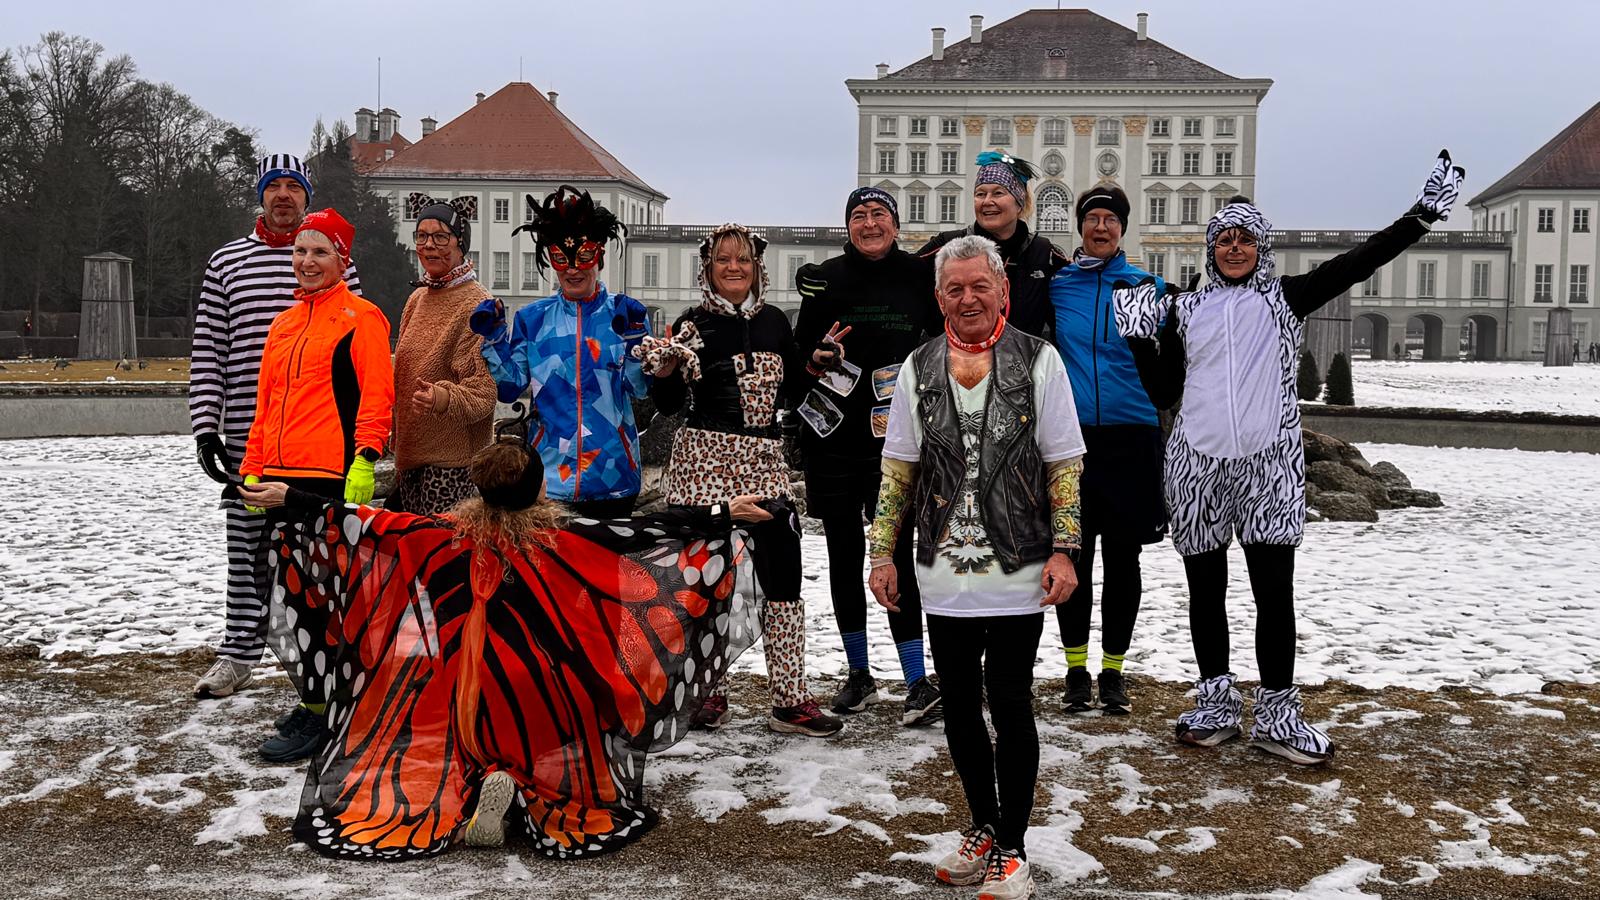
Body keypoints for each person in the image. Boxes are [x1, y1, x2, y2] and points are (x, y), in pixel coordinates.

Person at [239, 428, 777, 860]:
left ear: (480, 488)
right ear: (539, 489)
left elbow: (362, 521)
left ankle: (478, 780)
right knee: (568, 742)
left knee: (447, 747)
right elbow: (650, 529)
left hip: (461, 693)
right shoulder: (564, 537)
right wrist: (722, 515)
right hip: (541, 695)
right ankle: (522, 782)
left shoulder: (436, 533)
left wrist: (291, 497)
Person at [1115, 150, 1467, 766]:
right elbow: (1165, 392)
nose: (1234, 248)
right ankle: (1216, 705)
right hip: (1196, 465)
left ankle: (1278, 715)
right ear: (1210, 248)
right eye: (1223, 239)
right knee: (1206, 592)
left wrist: (1420, 217)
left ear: (1262, 247)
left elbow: (1360, 260)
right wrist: (1142, 340)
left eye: (1245, 239)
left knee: (1273, 592)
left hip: (1269, 466)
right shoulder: (1184, 309)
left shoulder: (1286, 298)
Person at [869, 235, 1085, 900]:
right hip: (943, 568)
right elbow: (898, 468)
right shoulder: (918, 366)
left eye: (979, 286)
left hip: (1019, 565)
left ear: (1003, 291)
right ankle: (984, 828)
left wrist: (1066, 548)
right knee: (960, 704)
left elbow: (1064, 463)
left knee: (1011, 700)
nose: (968, 298)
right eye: (955, 289)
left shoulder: (1040, 360)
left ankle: (1013, 849)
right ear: (939, 298)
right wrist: (882, 552)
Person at [639, 223, 843, 738]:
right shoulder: (691, 324)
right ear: (707, 268)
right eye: (723, 259)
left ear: (757, 268)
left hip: (763, 458)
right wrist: (664, 373)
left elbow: (793, 390)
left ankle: (790, 698)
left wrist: (816, 363)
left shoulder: (774, 321)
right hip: (705, 462)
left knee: (784, 571)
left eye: (744, 259)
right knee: (706, 579)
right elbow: (669, 405)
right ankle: (708, 692)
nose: (734, 268)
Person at [187, 154, 360, 701]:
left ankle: (325, 662)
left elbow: (355, 359)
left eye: (293, 186)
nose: (283, 195)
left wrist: (358, 442)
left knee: (317, 555)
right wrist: (206, 427)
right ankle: (239, 652)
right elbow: (209, 352)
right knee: (245, 551)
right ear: (260, 195)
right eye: (273, 186)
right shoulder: (227, 263)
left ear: (307, 196)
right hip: (248, 435)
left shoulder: (334, 259)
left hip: (316, 440)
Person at [238, 207, 394, 762]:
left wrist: (366, 458)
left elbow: (376, 396)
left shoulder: (362, 317)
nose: (307, 261)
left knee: (328, 602)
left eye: (320, 252)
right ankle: (317, 698)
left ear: (341, 259)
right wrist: (252, 466)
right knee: (290, 598)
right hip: (278, 477)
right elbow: (266, 404)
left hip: (328, 477)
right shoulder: (283, 323)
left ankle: (329, 708)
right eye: (300, 251)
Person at [793, 187, 942, 725]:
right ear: (848, 226)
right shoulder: (826, 278)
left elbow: (943, 339)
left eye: (880, 214)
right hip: (833, 438)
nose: (870, 223)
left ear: (896, 225)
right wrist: (815, 356)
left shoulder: (920, 275)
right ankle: (859, 674)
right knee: (843, 555)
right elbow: (800, 356)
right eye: (859, 215)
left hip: (897, 443)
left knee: (897, 553)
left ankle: (916, 679)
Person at [1047, 185, 1167, 717]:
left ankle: (1114, 671)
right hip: (1072, 440)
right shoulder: (1060, 286)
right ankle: (1076, 671)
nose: (1101, 227)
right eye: (1092, 218)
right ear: (1081, 226)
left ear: (1122, 228)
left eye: (1110, 219)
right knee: (1071, 554)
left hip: (1132, 436)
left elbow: (1173, 363)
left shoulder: (1147, 287)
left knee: (1123, 560)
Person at [473, 186, 649, 519]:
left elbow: (639, 388)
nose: (572, 269)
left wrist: (636, 340)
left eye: (584, 257)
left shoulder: (623, 315)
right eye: (561, 259)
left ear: (600, 256)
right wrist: (495, 339)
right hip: (549, 482)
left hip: (613, 479)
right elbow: (510, 388)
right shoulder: (532, 319)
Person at [388, 193, 498, 514]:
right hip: (411, 458)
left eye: (440, 237)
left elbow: (484, 393)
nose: (429, 245)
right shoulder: (418, 298)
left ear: (461, 243)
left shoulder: (477, 305)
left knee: (442, 547)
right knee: (414, 546)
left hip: (453, 466)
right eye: (422, 236)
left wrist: (442, 398)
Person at [917, 152, 1069, 339]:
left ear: (1019, 203)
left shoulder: (1043, 252)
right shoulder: (949, 244)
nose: (987, 201)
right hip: (958, 355)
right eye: (980, 194)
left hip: (1022, 356)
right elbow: (899, 269)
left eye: (998, 193)